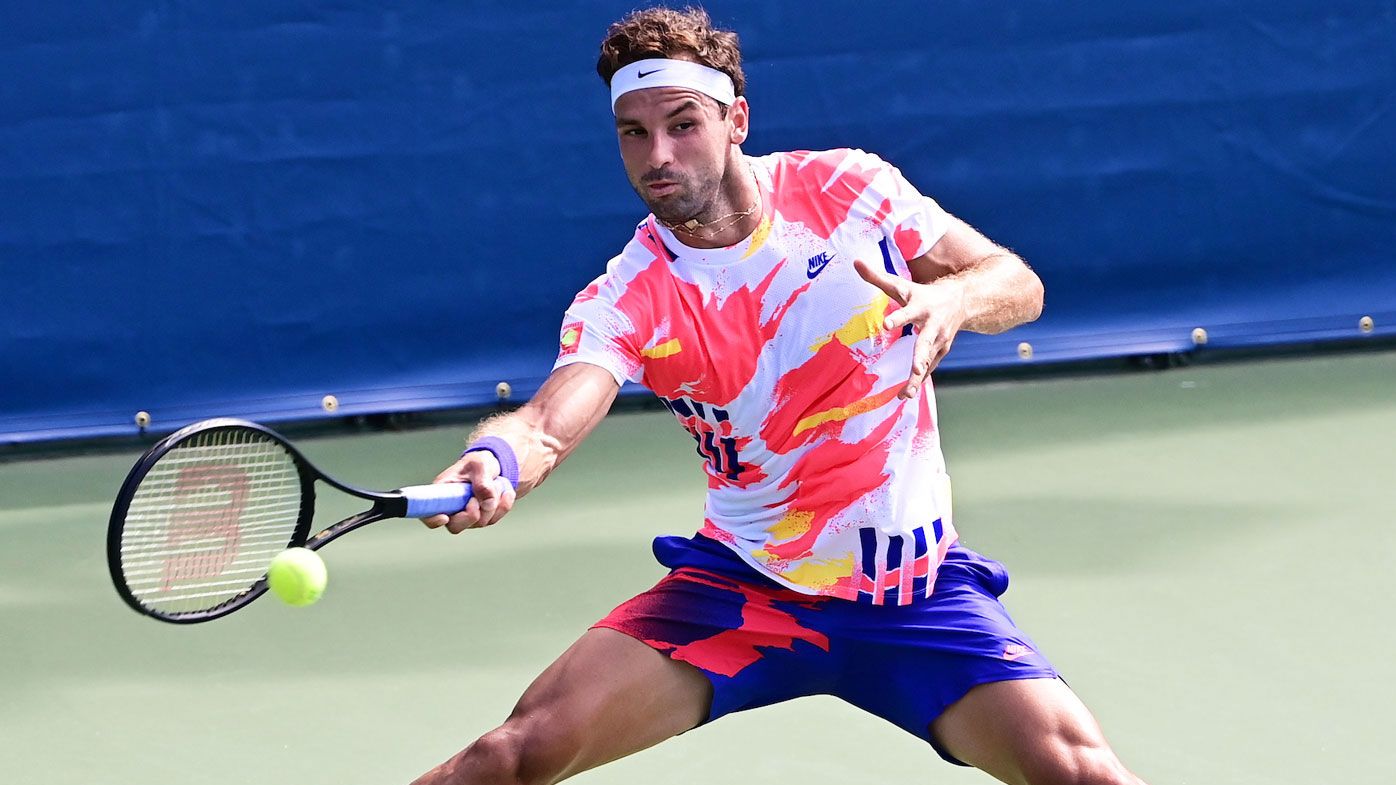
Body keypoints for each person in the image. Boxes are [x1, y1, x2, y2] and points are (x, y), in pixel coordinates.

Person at [413, 7, 1146, 785]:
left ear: (737, 121)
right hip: (743, 591)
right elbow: (546, 426)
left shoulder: (849, 190)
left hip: (913, 591)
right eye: (633, 132)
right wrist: (493, 458)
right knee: (509, 755)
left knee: (1086, 773)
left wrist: (954, 301)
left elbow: (1016, 282)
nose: (657, 155)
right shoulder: (629, 295)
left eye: (682, 124)